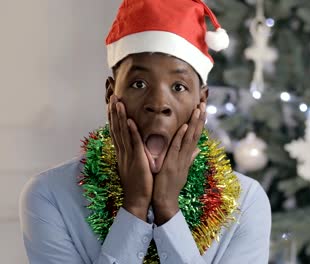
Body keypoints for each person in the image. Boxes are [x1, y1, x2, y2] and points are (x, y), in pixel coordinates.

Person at [19, 0, 271, 263]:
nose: (159, 104)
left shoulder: (245, 204)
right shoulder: (49, 196)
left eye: (179, 87)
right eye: (139, 83)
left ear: (201, 102)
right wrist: (135, 206)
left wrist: (167, 209)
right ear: (110, 94)